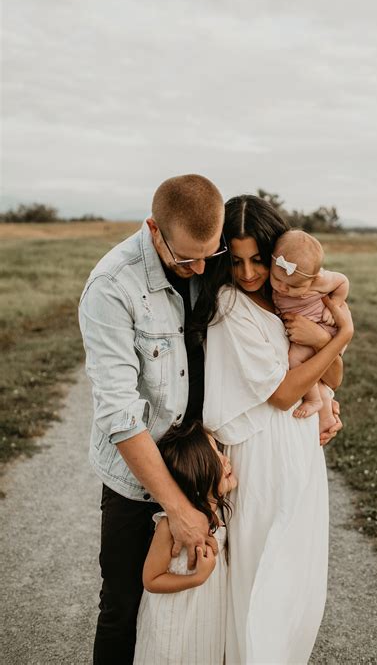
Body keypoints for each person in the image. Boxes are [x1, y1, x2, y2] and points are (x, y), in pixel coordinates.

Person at [78, 174, 227, 664]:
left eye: (210, 253)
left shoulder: (209, 260)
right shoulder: (111, 286)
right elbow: (119, 413)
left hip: (200, 467)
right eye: (187, 259)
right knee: (122, 606)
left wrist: (324, 390)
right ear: (154, 229)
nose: (201, 268)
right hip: (134, 481)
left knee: (200, 607)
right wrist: (178, 510)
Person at [202, 195, 353, 664]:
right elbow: (284, 395)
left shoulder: (291, 298)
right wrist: (341, 337)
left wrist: (324, 341)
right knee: (259, 579)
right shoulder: (230, 306)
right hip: (260, 459)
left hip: (301, 454)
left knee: (294, 584)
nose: (248, 273)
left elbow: (333, 377)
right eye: (237, 261)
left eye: (258, 260)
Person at [133, 420, 237, 665]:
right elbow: (151, 579)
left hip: (207, 626)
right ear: (197, 475)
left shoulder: (220, 515)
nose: (226, 460)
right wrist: (196, 578)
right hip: (172, 630)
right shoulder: (170, 526)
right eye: (217, 458)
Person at [271, 229, 350, 429]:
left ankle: (314, 400)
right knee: (315, 374)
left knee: (294, 360)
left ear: (313, 279)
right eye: (277, 279)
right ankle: (326, 415)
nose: (282, 288)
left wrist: (336, 303)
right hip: (309, 331)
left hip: (322, 328)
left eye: (292, 287)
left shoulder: (321, 280)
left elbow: (343, 281)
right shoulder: (281, 277)